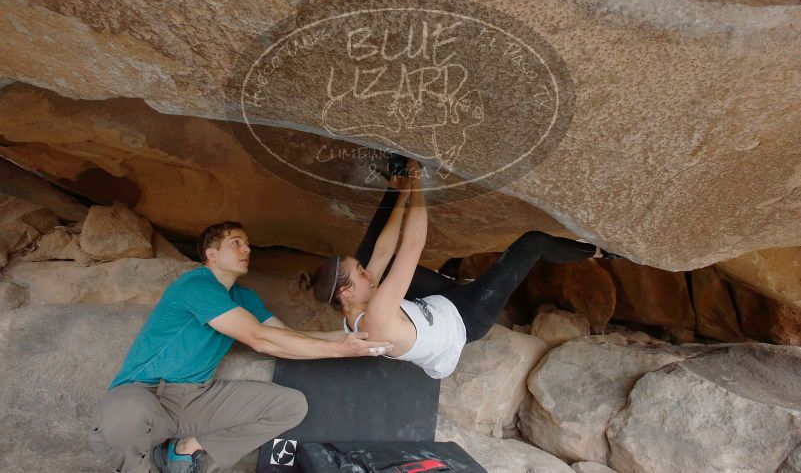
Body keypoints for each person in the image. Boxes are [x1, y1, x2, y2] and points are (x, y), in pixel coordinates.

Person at [90, 221, 393, 473]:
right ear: (211, 254)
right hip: (146, 392)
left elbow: (284, 336)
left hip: (194, 397)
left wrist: (350, 336)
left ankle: (186, 449)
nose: (247, 249)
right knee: (126, 412)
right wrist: (339, 350)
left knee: (291, 406)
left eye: (247, 243)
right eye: (236, 243)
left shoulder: (243, 297)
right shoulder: (196, 286)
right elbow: (259, 339)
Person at [300, 158, 620, 379]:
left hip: (435, 304)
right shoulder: (377, 317)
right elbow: (412, 246)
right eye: (361, 274)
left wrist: (402, 193)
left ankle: (394, 181)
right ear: (346, 291)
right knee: (532, 243)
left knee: (370, 252)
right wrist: (417, 183)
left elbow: (383, 250)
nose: (368, 273)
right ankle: (600, 251)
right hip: (464, 318)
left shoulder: (352, 310)